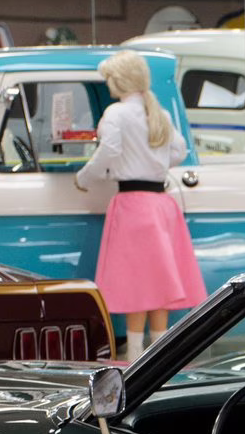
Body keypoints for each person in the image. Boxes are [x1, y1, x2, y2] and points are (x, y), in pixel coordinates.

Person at [73, 50, 205, 361]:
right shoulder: (159, 114)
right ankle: (160, 352)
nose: (107, 85)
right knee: (159, 283)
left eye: (108, 79)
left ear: (118, 81)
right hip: (161, 205)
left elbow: (110, 149)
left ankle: (134, 354)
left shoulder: (116, 114)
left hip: (132, 205)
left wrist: (86, 176)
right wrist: (151, 161)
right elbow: (178, 152)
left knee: (137, 284)